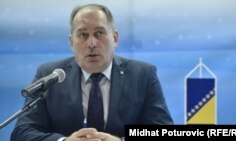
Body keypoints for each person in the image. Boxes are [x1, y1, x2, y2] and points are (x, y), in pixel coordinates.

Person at [11, 3, 174, 141]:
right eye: (82, 35)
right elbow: (22, 132)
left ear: (115, 38)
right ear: (71, 42)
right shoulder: (49, 75)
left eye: (99, 33)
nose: (91, 43)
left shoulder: (143, 74)